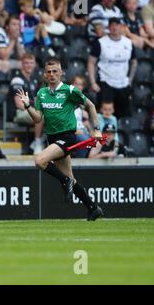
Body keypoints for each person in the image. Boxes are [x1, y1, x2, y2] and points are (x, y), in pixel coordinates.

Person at [16, 58, 104, 221]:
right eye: (48, 72)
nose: (51, 74)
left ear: (61, 73)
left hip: (68, 137)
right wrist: (28, 106)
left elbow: (90, 106)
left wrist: (97, 130)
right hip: (53, 138)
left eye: (55, 71)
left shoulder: (70, 90)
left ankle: (65, 182)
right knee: (71, 177)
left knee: (40, 161)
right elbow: (37, 119)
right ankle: (92, 207)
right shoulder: (42, 93)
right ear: (44, 74)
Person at [87, 17, 137, 118]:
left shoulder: (128, 43)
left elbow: (134, 62)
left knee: (122, 116)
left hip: (123, 83)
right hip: (106, 82)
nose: (114, 27)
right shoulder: (101, 43)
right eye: (112, 25)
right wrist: (93, 82)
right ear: (109, 27)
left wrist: (130, 80)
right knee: (104, 115)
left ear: (122, 27)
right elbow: (91, 62)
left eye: (117, 25)